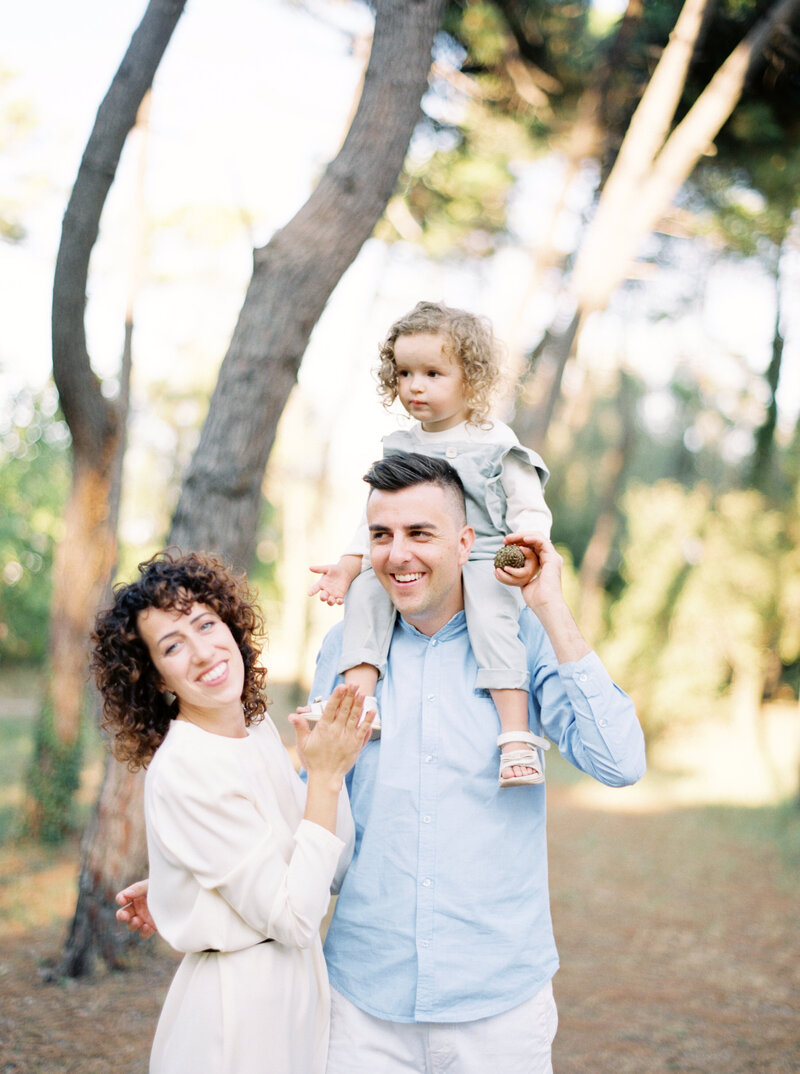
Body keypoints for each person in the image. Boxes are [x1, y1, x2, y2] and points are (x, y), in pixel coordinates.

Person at [117, 454, 646, 1073]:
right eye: (381, 535)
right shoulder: (345, 652)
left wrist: (551, 607)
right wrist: (200, 881)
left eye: (420, 533)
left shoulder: (522, 640)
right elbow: (321, 786)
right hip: (362, 1010)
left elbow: (620, 762)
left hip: (499, 1008)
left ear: (465, 541)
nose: (398, 555)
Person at [93, 549, 373, 1074]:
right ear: (154, 678)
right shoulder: (184, 767)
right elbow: (293, 915)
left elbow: (328, 870)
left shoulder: (255, 726)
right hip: (237, 1013)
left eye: (206, 623)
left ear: (230, 624)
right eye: (173, 645)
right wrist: (327, 779)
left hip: (297, 990)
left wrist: (184, 886)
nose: (202, 652)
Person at [309, 300, 553, 786]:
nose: (414, 386)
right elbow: (374, 520)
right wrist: (347, 566)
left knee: (492, 613)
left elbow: (529, 509)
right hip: (416, 558)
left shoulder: (494, 440)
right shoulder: (401, 445)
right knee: (365, 593)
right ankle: (361, 703)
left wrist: (525, 554)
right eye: (404, 373)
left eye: (433, 373)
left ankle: (516, 736)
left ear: (471, 377)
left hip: (491, 551)